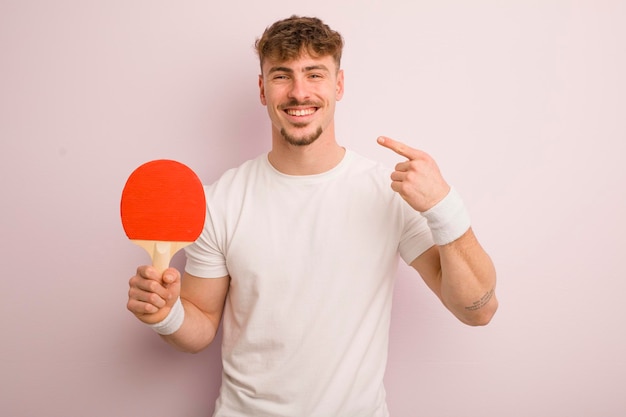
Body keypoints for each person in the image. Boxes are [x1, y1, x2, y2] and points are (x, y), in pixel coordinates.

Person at [127, 15, 497, 417]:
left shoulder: (388, 193)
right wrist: (167, 315)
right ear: (262, 89)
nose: (299, 92)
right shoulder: (221, 201)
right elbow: (199, 327)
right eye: (282, 76)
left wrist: (444, 207)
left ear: (338, 85)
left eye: (314, 74)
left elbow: (478, 310)